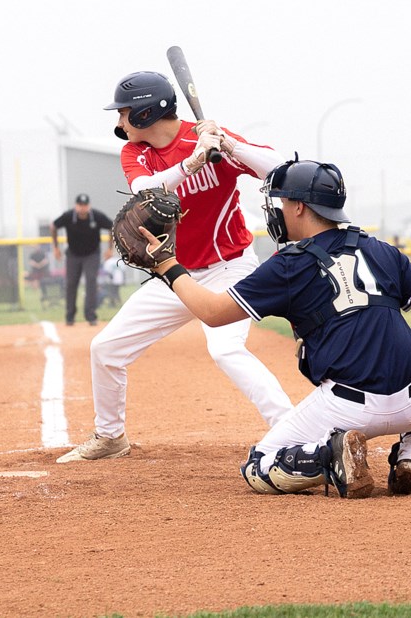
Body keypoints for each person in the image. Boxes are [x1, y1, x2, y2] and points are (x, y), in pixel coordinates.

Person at [138, 158, 411, 498]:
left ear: (300, 207)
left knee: (257, 465)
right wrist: (400, 357)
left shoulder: (289, 265)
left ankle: (329, 454)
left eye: (283, 202)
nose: (279, 209)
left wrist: (168, 266)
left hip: (350, 409)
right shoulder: (380, 249)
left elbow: (212, 312)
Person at [57, 70, 293, 463]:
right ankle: (111, 437)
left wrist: (229, 145)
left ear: (147, 113)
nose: (119, 122)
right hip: (176, 273)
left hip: (229, 268)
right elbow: (145, 191)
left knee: (225, 349)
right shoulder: (136, 153)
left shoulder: (209, 138)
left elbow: (281, 169)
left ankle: (289, 430)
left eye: (125, 113)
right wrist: (192, 163)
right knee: (106, 348)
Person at [50, 193, 113, 326]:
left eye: (85, 205)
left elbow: (112, 226)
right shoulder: (68, 216)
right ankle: (69, 317)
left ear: (88, 206)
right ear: (76, 206)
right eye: (80, 205)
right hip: (73, 254)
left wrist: (110, 249)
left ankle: (91, 316)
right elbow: (53, 226)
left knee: (91, 281)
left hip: (92, 254)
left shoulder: (96, 216)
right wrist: (56, 247)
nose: (82, 208)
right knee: (71, 283)